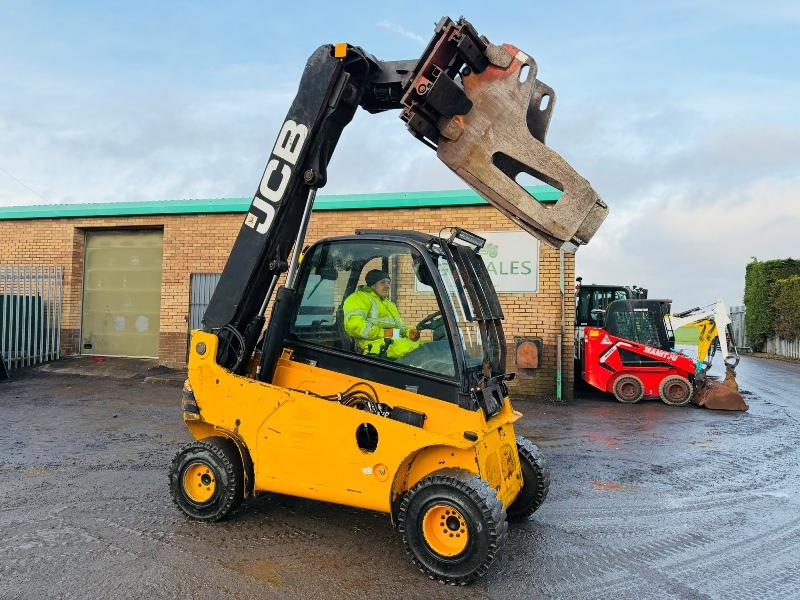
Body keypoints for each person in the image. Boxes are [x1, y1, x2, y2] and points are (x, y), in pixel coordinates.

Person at [343, 269, 421, 359]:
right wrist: (385, 333)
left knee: (425, 346)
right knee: (421, 351)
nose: (387, 286)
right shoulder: (359, 298)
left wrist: (407, 332)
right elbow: (354, 326)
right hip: (373, 347)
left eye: (388, 283)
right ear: (372, 285)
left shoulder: (389, 304)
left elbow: (398, 328)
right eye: (383, 282)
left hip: (389, 342)